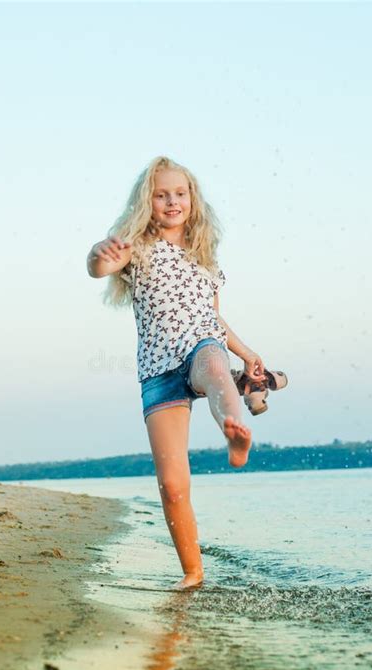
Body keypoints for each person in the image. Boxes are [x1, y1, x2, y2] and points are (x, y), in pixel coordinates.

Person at [86, 156, 266, 590]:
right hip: (157, 369)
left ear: (192, 199)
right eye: (162, 194)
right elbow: (98, 267)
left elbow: (214, 319)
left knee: (215, 367)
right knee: (171, 483)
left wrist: (246, 353)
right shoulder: (137, 246)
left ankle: (233, 429)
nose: (172, 201)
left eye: (180, 193)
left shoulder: (205, 258)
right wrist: (98, 254)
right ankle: (192, 572)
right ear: (148, 201)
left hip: (202, 346)